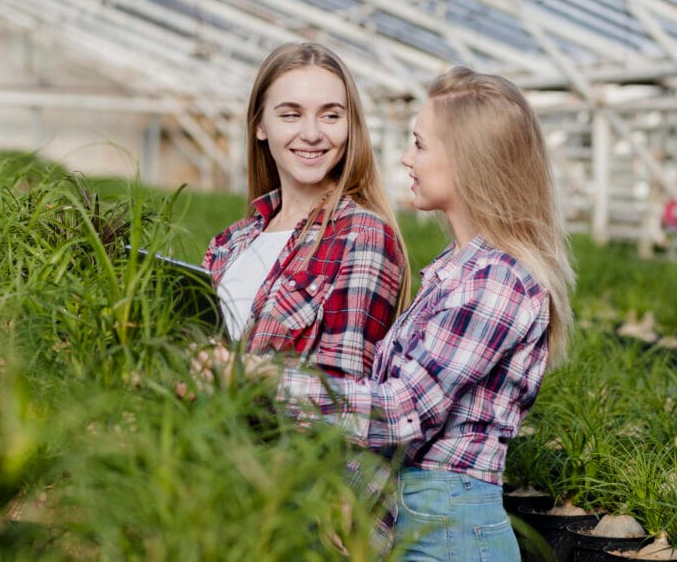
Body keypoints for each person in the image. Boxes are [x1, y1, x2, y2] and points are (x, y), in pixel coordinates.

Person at [254, 67, 575, 560]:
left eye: (420, 145)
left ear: (470, 161)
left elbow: (403, 410)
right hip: (421, 512)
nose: (406, 158)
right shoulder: (459, 270)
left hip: (451, 527)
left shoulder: (498, 280)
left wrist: (266, 380)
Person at [200, 42, 409, 381]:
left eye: (330, 115)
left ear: (350, 125)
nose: (312, 134)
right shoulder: (228, 244)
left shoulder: (362, 237)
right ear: (260, 126)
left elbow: (341, 399)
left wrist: (236, 376)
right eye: (291, 114)